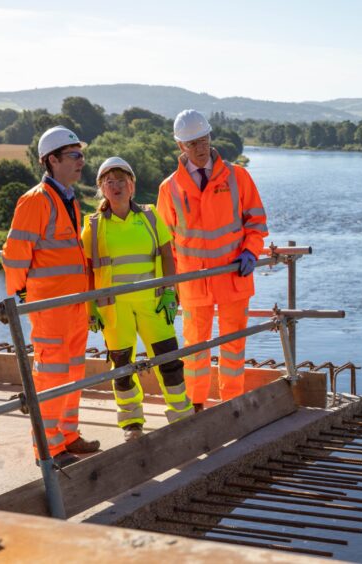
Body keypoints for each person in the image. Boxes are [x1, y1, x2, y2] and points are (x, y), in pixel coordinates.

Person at [157, 109, 268, 411]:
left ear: (210, 137)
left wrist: (251, 251)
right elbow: (164, 243)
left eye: (204, 139)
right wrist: (170, 284)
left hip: (234, 277)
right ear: (181, 146)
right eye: (193, 143)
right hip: (193, 283)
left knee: (234, 347)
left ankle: (232, 404)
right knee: (195, 350)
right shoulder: (169, 188)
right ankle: (196, 405)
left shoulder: (237, 176)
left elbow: (256, 222)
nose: (201, 148)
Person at [2, 126, 100, 468]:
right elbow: (14, 256)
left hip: (74, 306)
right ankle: (48, 449)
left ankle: (69, 436)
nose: (81, 162)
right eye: (74, 155)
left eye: (81, 155)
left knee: (73, 373)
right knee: (51, 377)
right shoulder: (35, 201)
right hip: (50, 309)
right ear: (52, 160)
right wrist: (21, 295)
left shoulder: (69, 199)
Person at [82, 157, 194, 441]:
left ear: (132, 185)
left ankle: (181, 415)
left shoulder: (149, 216)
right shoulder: (93, 226)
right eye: (109, 182)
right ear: (102, 189)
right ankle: (132, 423)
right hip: (114, 310)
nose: (116, 186)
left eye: (121, 180)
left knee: (169, 361)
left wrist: (171, 291)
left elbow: (167, 254)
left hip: (153, 304)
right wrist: (89, 306)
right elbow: (86, 269)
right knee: (121, 369)